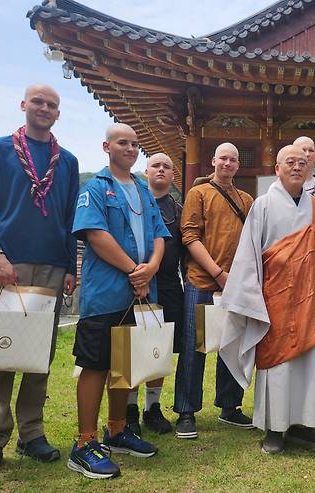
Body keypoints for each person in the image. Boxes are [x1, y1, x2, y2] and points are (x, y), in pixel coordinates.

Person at [0, 84, 79, 483]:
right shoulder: (0, 149)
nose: (45, 108)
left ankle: (32, 433)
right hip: (8, 266)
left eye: (52, 104)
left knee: (38, 356)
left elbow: (69, 220)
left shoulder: (66, 161)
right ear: (24, 106)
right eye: (38, 102)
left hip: (51, 267)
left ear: (58, 113)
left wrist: (70, 267)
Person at [219, 144, 315, 454]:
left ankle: (305, 424)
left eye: (302, 162)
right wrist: (249, 301)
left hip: (312, 299)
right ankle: (275, 428)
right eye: (290, 162)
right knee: (277, 363)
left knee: (309, 363)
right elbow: (248, 257)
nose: (297, 167)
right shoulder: (262, 205)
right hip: (275, 299)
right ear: (277, 168)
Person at [68, 123, 171, 479]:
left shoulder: (143, 190)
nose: (130, 148)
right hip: (107, 293)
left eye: (135, 144)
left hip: (142, 291)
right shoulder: (96, 188)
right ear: (106, 146)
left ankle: (116, 430)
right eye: (122, 143)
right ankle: (84, 442)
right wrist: (134, 271)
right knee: (95, 365)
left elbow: (160, 233)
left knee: (127, 364)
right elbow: (95, 235)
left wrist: (152, 267)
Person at [175, 142, 254, 439]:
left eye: (233, 159)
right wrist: (219, 273)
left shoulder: (246, 199)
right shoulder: (199, 194)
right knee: (195, 346)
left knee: (232, 344)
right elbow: (190, 237)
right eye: (223, 158)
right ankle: (186, 410)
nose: (228, 163)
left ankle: (230, 406)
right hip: (202, 280)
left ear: (237, 165)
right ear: (213, 160)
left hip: (235, 284)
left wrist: (238, 277)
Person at [126, 153, 184, 435]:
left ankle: (153, 407)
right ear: (145, 171)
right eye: (156, 166)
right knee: (133, 348)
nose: (161, 170)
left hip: (169, 284)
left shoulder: (179, 209)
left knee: (158, 349)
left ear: (173, 175)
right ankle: (129, 409)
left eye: (167, 167)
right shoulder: (133, 201)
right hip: (135, 282)